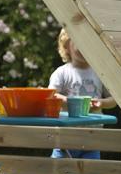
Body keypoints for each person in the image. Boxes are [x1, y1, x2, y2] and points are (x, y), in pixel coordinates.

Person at [49, 28, 116, 159]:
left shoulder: (100, 73)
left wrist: (101, 103)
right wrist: (72, 103)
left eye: (88, 43)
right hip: (64, 139)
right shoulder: (62, 72)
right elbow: (51, 95)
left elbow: (114, 99)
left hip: (92, 138)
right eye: (79, 43)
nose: (84, 47)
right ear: (66, 46)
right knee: (58, 173)